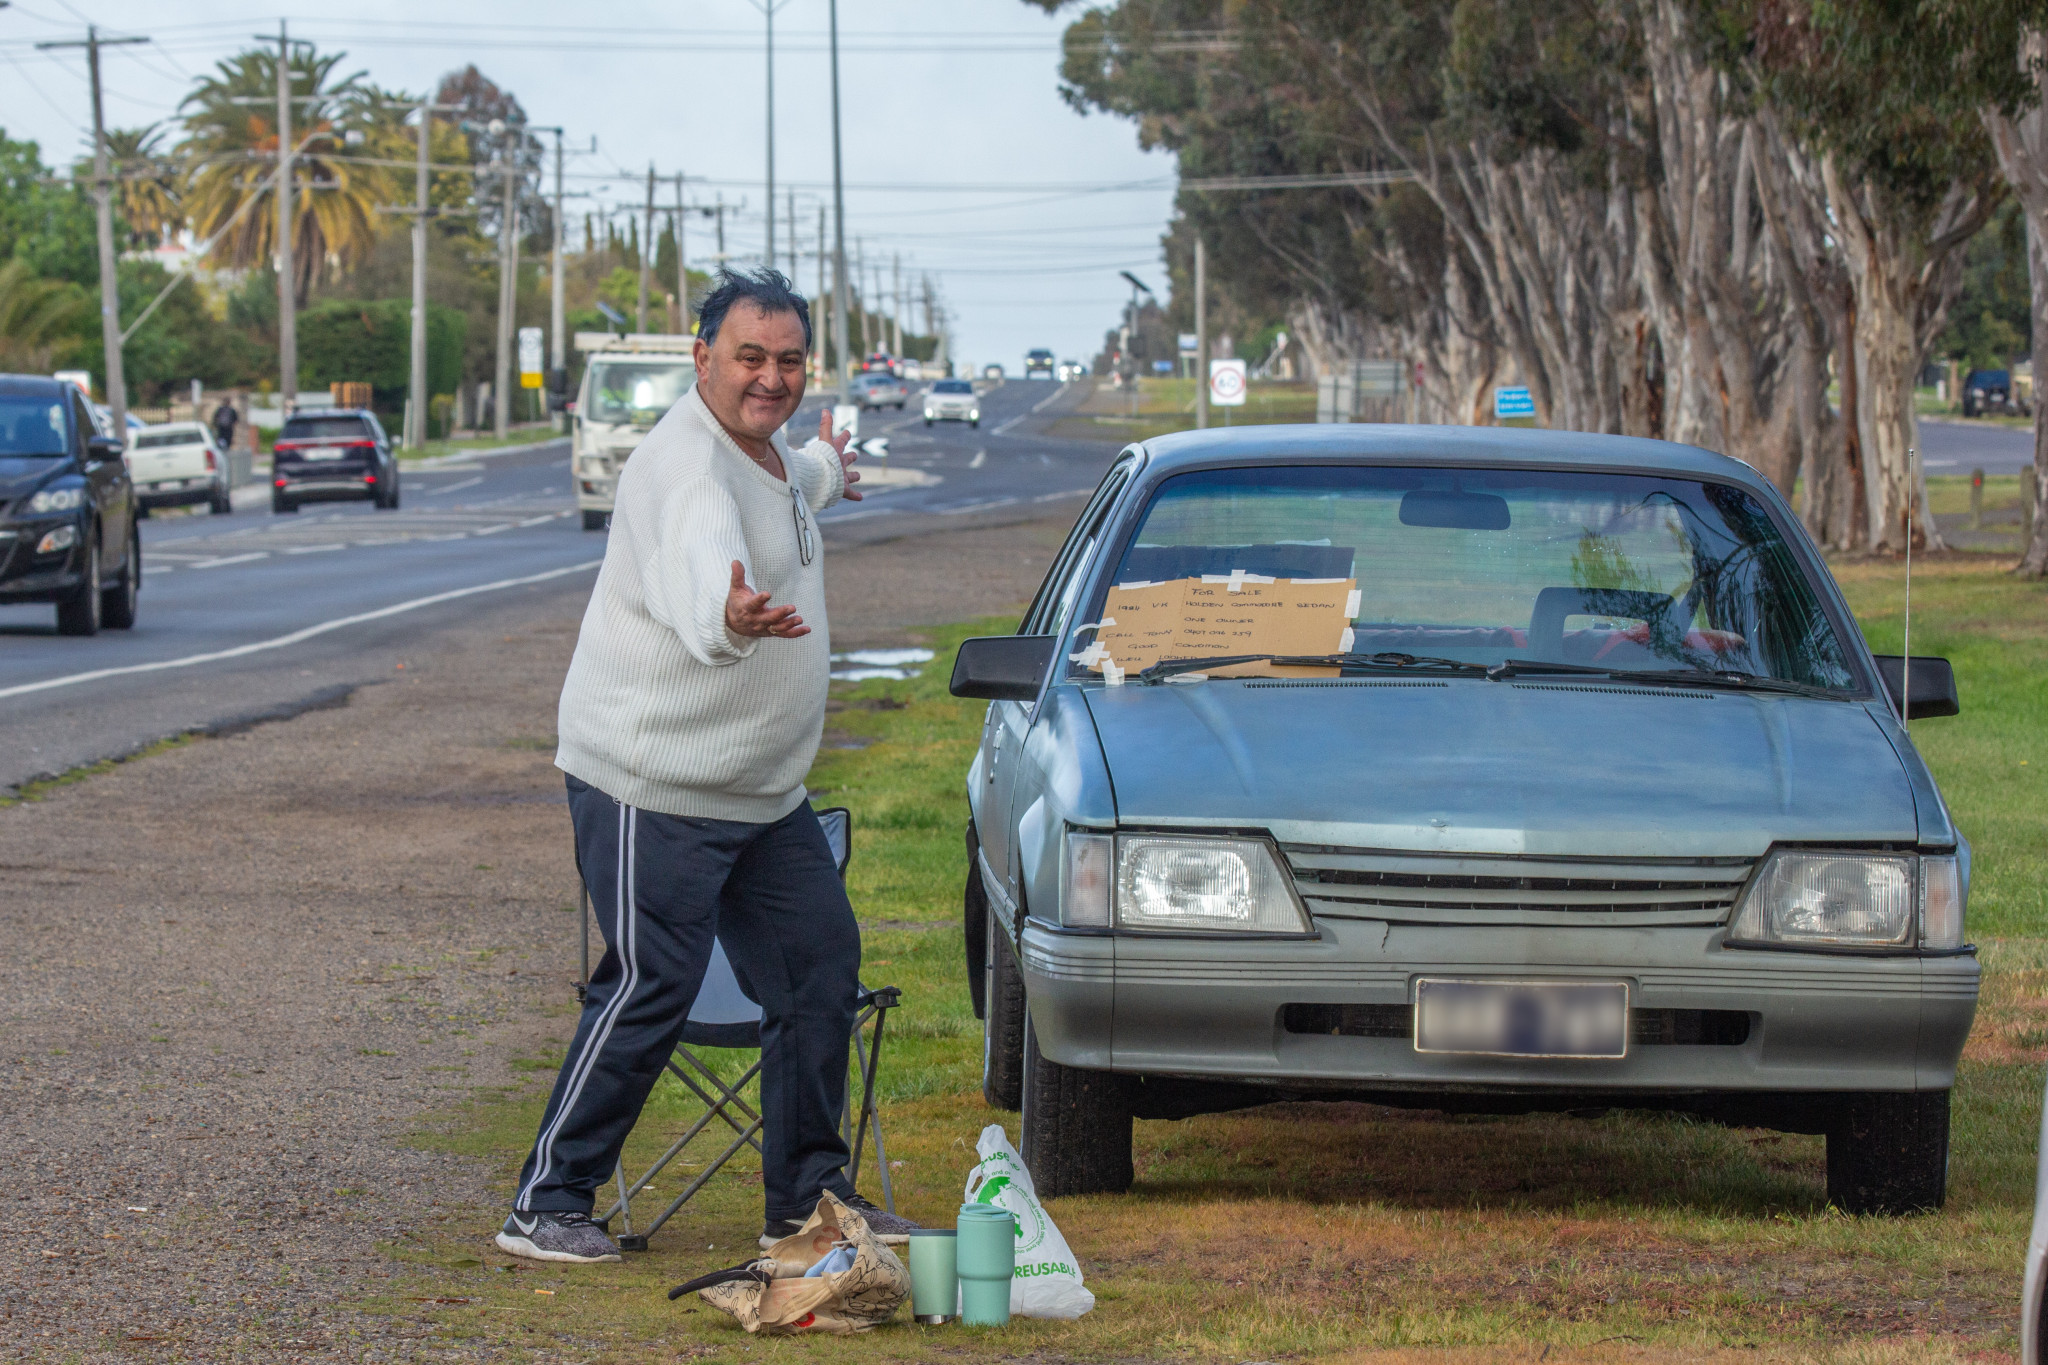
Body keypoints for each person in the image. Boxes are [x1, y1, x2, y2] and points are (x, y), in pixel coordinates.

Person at [497, 268, 920, 1266]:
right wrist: (726, 622)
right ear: (701, 360)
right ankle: (547, 1202)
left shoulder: (759, 450)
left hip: (760, 792)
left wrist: (826, 466)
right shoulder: (686, 473)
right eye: (747, 358)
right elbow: (705, 571)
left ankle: (808, 1208)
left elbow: (786, 481)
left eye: (786, 360)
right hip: (656, 780)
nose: (768, 378)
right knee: (656, 983)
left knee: (818, 972)